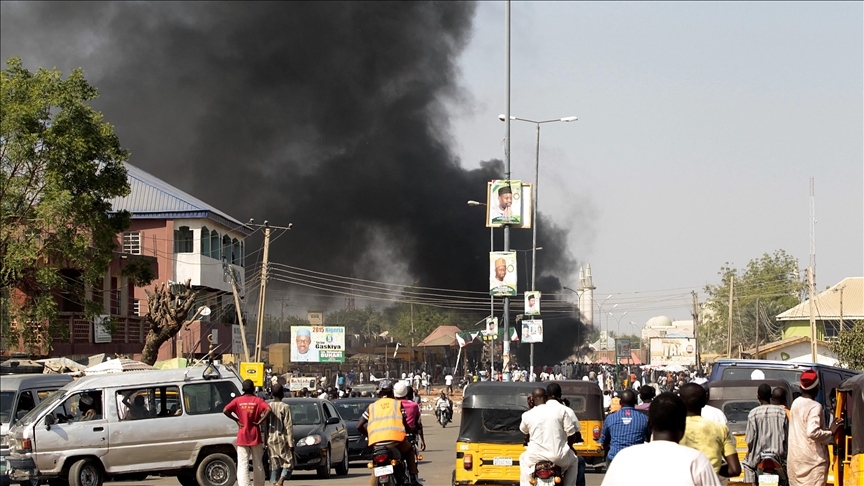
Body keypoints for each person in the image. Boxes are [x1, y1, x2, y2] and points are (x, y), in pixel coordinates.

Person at [601, 393, 722, 486]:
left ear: (649, 425)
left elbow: (604, 440)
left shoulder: (623, 458)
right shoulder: (696, 460)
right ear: (683, 426)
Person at [357, 380, 420, 486]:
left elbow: (359, 426)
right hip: (395, 442)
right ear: (392, 393)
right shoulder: (397, 405)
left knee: (377, 466)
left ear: (380, 392)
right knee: (410, 450)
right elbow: (405, 425)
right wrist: (412, 429)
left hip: (377, 445)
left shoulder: (371, 407)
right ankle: (413, 477)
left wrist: (369, 435)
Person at [788, 369, 843, 486]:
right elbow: (812, 432)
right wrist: (830, 432)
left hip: (796, 462)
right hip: (813, 463)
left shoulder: (796, 403)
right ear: (816, 387)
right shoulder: (815, 406)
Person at [678, 383, 741, 479]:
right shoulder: (720, 428)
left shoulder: (673, 428)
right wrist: (712, 468)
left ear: (680, 402)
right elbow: (735, 469)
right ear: (704, 402)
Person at [519, 388, 579, 486]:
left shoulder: (527, 415)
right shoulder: (560, 410)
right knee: (574, 460)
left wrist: (530, 407)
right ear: (547, 398)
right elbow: (571, 434)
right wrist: (570, 447)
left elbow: (524, 431)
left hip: (534, 457)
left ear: (532, 400)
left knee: (522, 458)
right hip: (557, 457)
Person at [223, 379, 271, 486]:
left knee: (242, 464)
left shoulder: (237, 401)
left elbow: (225, 410)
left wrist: (236, 420)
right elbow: (268, 409)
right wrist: (260, 421)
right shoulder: (258, 401)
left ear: (243, 389)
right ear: (253, 389)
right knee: (258, 463)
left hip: (242, 435)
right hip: (255, 435)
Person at [743, 384, 788, 483]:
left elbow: (749, 440)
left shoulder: (753, 414)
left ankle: (753, 483)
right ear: (771, 396)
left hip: (758, 458)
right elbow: (787, 437)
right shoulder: (781, 412)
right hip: (780, 458)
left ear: (758, 397)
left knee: (747, 464)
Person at [547, 383, 586, 486]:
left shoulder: (536, 410)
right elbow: (574, 434)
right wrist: (568, 447)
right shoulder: (567, 411)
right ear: (560, 394)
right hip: (560, 454)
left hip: (538, 454)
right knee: (577, 462)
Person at [600, 389, 650, 468]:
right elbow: (650, 439)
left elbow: (603, 441)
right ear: (635, 402)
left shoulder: (610, 418)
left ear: (620, 402)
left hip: (614, 458)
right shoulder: (644, 419)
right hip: (636, 460)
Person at [265, 384, 294, 486]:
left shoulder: (268, 406)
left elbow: (265, 426)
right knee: (289, 462)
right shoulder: (285, 407)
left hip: (270, 439)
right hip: (282, 439)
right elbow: (288, 426)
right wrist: (291, 443)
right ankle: (280, 481)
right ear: (282, 394)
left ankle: (274, 483)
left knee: (274, 464)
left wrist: (265, 441)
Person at [395, 383, 426, 459]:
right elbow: (418, 423)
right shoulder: (414, 405)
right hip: (410, 434)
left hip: (395, 435)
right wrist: (422, 440)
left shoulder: (393, 405)